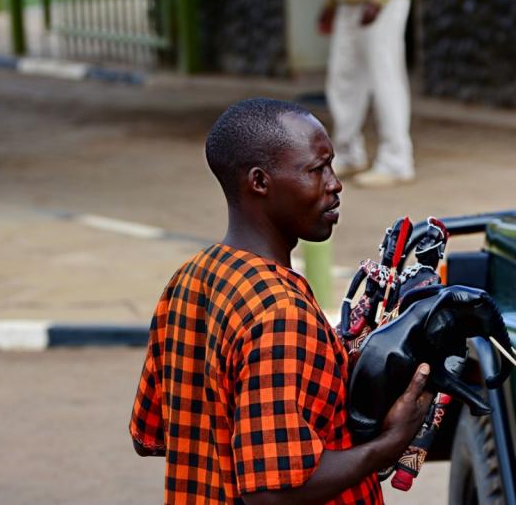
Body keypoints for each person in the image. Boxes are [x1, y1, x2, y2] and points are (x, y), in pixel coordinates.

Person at [129, 98, 433, 504]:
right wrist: (390, 442)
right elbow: (273, 492)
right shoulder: (281, 312)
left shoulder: (189, 279)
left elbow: (150, 434)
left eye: (331, 166)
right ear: (259, 182)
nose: (335, 183)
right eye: (315, 169)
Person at [319, 0, 415, 188]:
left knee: (386, 79)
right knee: (342, 78)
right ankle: (347, 153)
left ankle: (396, 161)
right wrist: (332, 1)